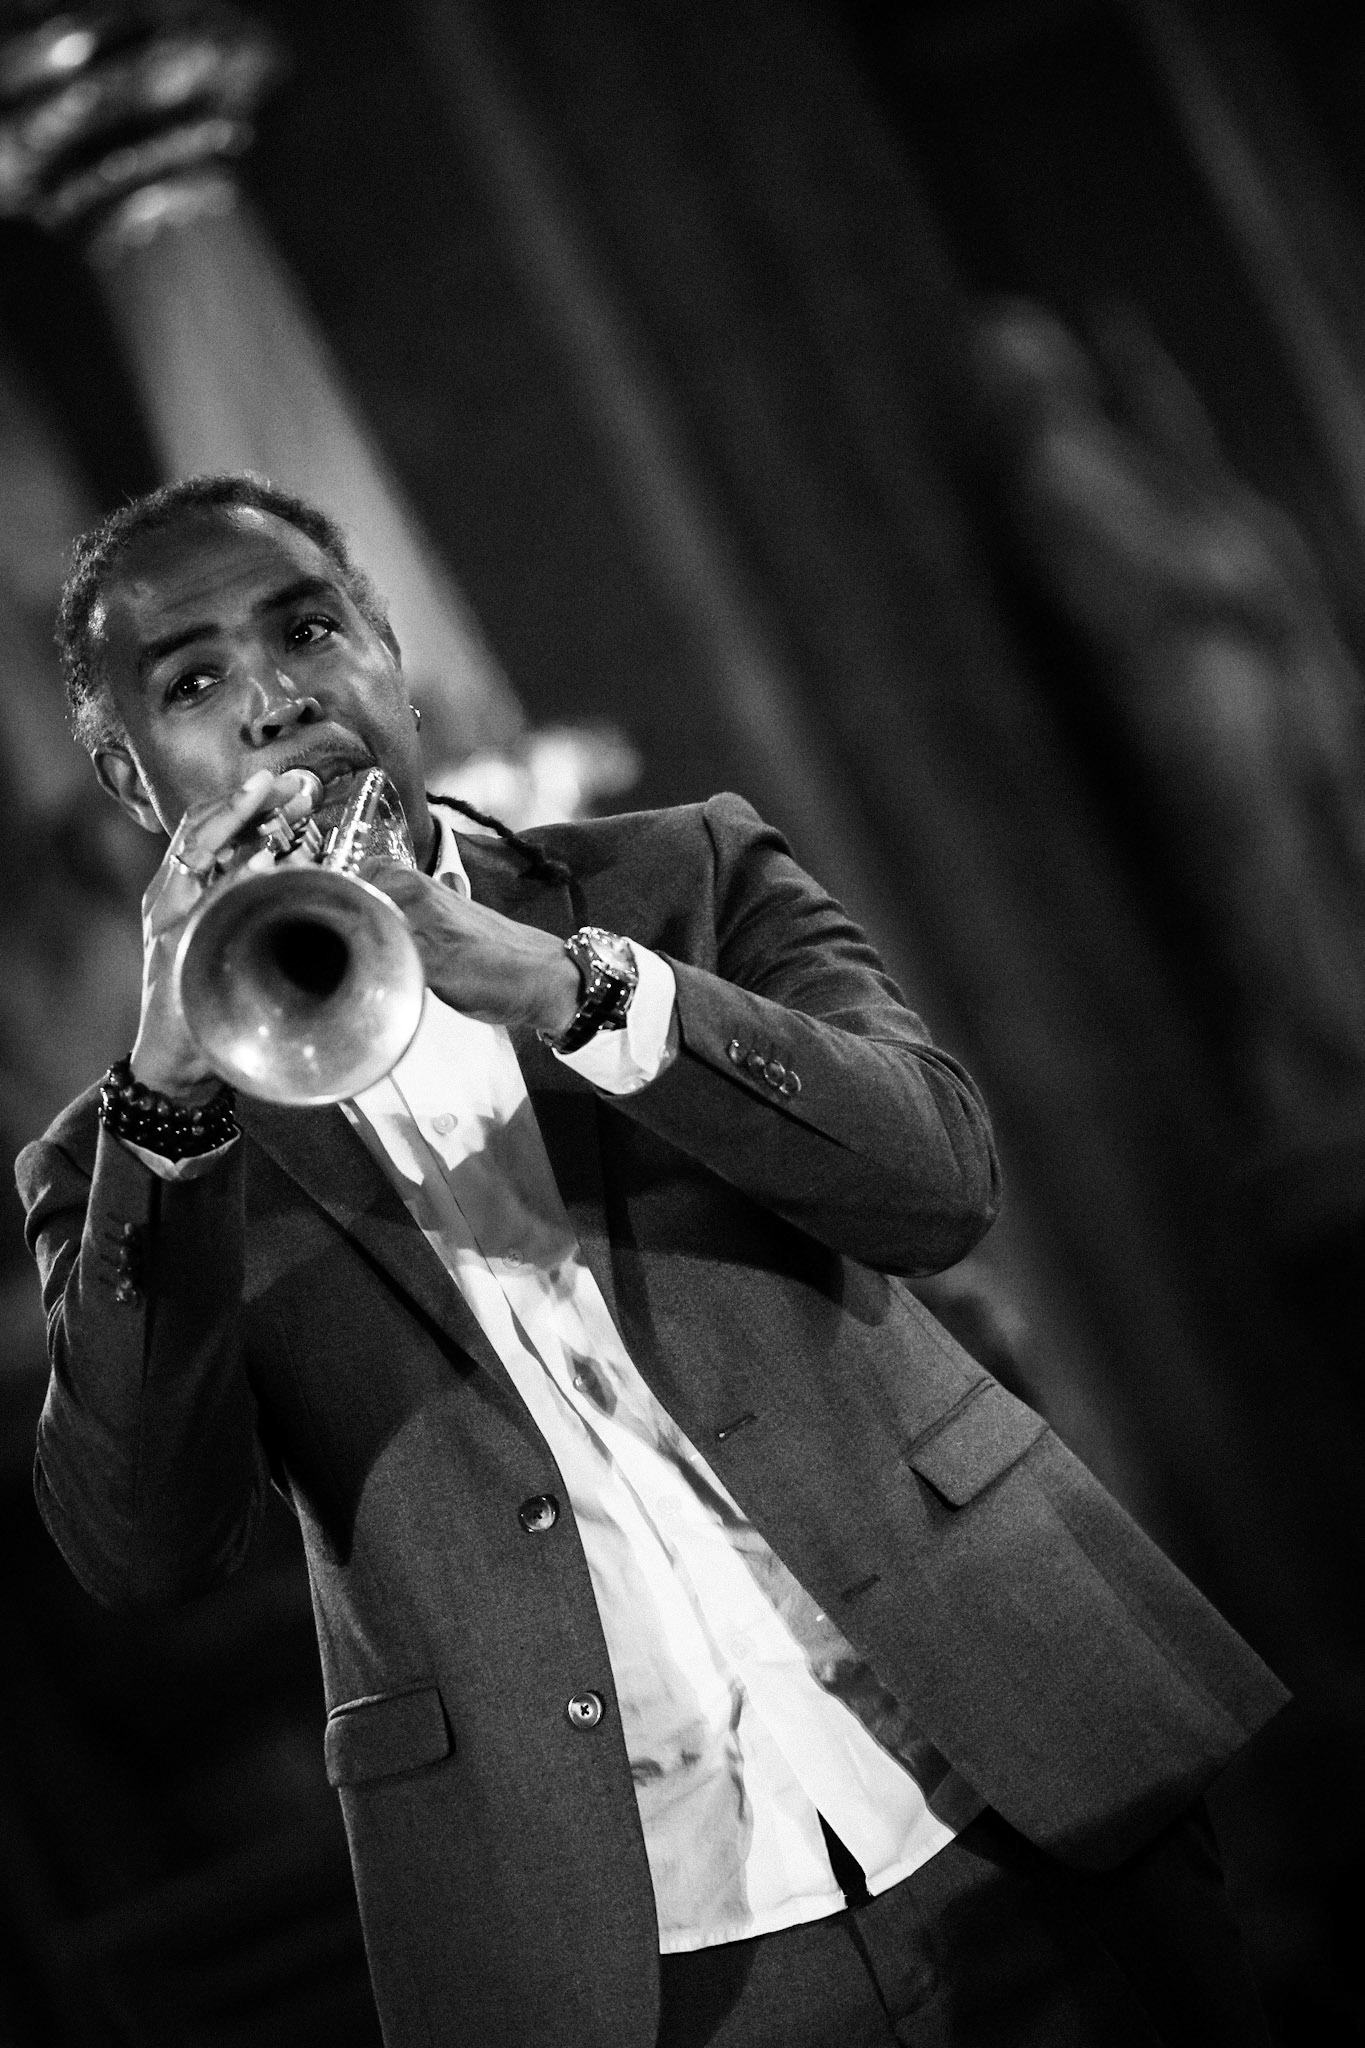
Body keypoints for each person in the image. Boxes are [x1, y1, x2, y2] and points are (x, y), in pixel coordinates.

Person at [17, 474, 1286, 2048]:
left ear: (391, 658)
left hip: (1016, 1769)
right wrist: (168, 1107)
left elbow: (937, 1184)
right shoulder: (122, 1157)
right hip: (649, 1945)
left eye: (309, 629)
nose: (275, 698)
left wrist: (570, 988)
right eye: (194, 682)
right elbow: (139, 1545)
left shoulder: (685, 875)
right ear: (131, 781)